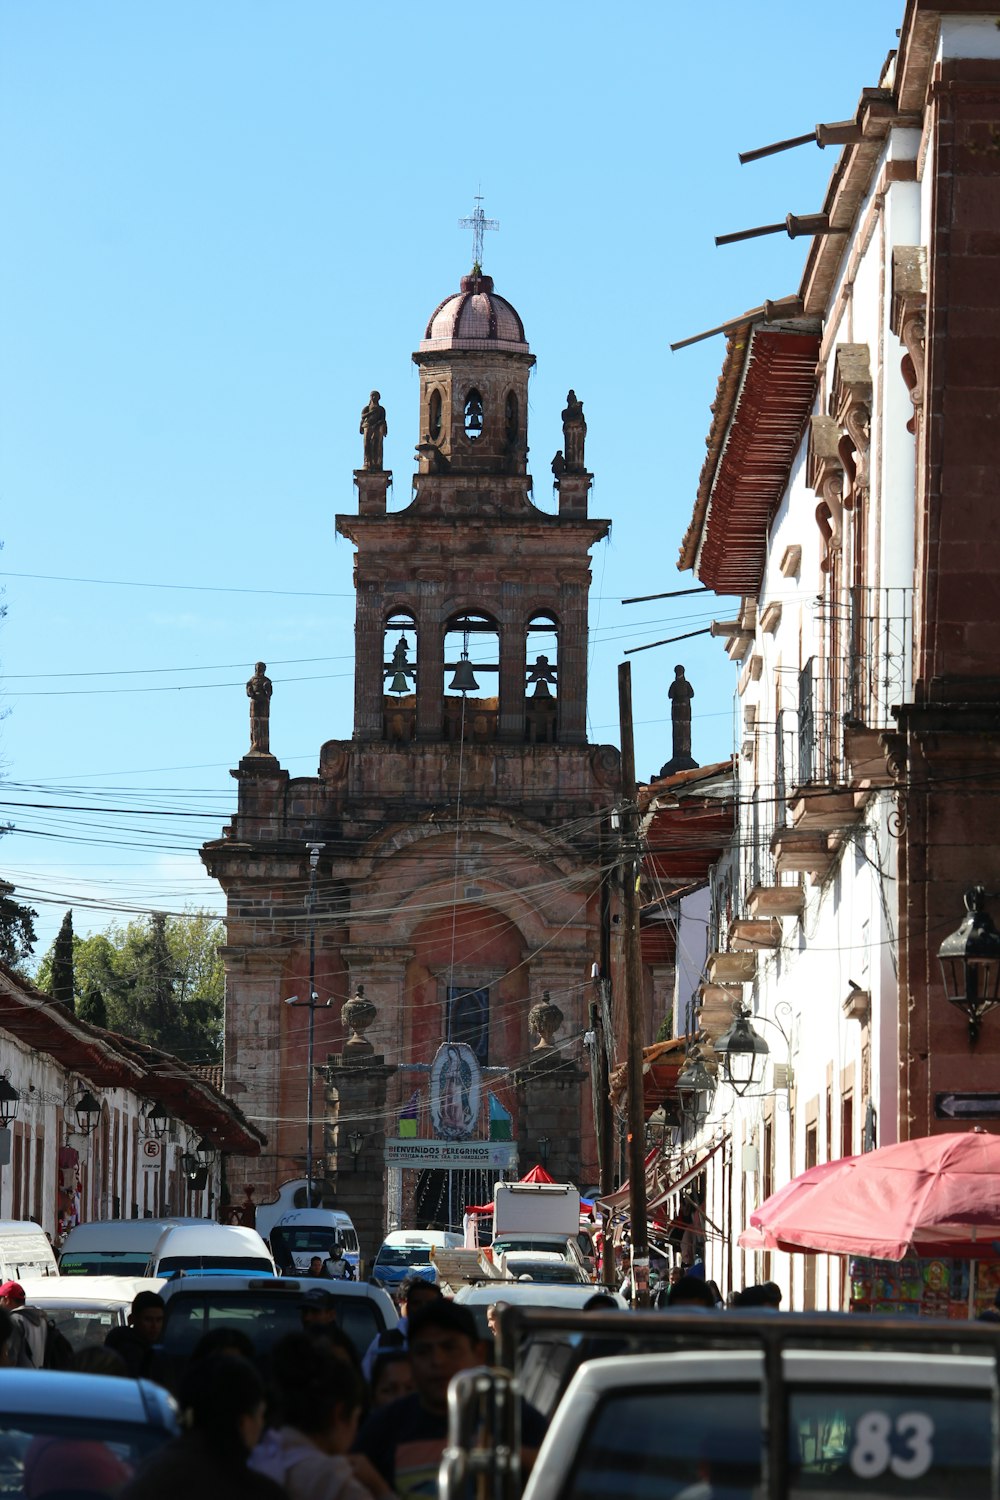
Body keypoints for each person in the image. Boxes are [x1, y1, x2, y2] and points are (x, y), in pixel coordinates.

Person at [354, 1300, 546, 1498]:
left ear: (478, 1353)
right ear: (410, 1360)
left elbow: (558, 1473)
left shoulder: (514, 1419)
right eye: (424, 1351)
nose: (437, 1361)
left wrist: (513, 1456)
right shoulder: (384, 1428)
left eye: (449, 1347)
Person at [121, 1354, 284, 1500]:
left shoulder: (147, 1475)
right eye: (260, 1415)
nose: (262, 1425)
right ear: (244, 1422)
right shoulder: (255, 1490)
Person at [250, 1333, 386, 1500]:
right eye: (354, 1419)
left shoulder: (260, 1457)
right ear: (339, 1413)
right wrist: (381, 1489)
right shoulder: (336, 1482)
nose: (355, 1432)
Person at [360, 1276, 441, 1382]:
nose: (422, 1308)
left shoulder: (447, 1341)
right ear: (402, 1302)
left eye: (429, 1304)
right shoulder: (385, 1341)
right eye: (416, 1303)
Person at [0, 1280, 67, 1368]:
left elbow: (10, 1356)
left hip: (18, 1378)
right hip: (37, 1375)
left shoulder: (15, 1320)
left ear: (7, 1300)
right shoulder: (41, 1318)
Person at [105, 1290, 165, 1378]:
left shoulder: (155, 1347)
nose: (154, 1326)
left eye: (159, 1320)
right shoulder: (130, 1351)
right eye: (148, 1319)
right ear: (132, 1319)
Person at [246, 663, 273, 755]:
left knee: (263, 723)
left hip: (263, 703)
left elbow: (269, 693)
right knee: (255, 723)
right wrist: (250, 691)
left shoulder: (267, 680)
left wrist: (267, 689)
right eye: (258, 668)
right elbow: (248, 691)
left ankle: (263, 745)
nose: (260, 670)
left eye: (261, 668)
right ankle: (255, 744)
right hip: (255, 703)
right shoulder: (252, 680)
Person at [360, 391, 387, 471]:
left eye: (375, 396)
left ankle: (376, 462)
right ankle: (367, 462)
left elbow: (383, 419)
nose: (374, 398)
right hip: (367, 426)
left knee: (376, 444)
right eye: (372, 396)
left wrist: (377, 424)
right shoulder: (367, 408)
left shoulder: (381, 409)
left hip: (377, 427)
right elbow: (362, 416)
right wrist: (371, 413)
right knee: (366, 444)